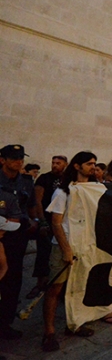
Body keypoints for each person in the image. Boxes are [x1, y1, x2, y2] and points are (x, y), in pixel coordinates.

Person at [42, 151, 98, 351]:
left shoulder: (94, 190)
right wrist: (66, 250)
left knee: (78, 287)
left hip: (84, 245)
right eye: (89, 163)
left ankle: (74, 323)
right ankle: (49, 332)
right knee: (55, 289)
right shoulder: (62, 192)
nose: (93, 167)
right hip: (64, 246)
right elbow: (56, 223)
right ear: (77, 166)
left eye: (94, 164)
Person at [0, 144, 37, 340]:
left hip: (17, 236)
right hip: (0, 235)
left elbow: (31, 206)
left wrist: (35, 221)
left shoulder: (26, 181)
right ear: (2, 160)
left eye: (21, 157)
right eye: (14, 157)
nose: (19, 161)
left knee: (13, 280)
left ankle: (5, 323)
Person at [28, 155, 68, 299]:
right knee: (43, 254)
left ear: (65, 164)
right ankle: (40, 285)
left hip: (63, 223)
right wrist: (42, 221)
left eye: (58, 163)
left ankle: (60, 287)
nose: (55, 165)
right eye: (53, 162)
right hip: (47, 221)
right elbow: (37, 200)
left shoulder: (68, 179)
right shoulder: (44, 178)